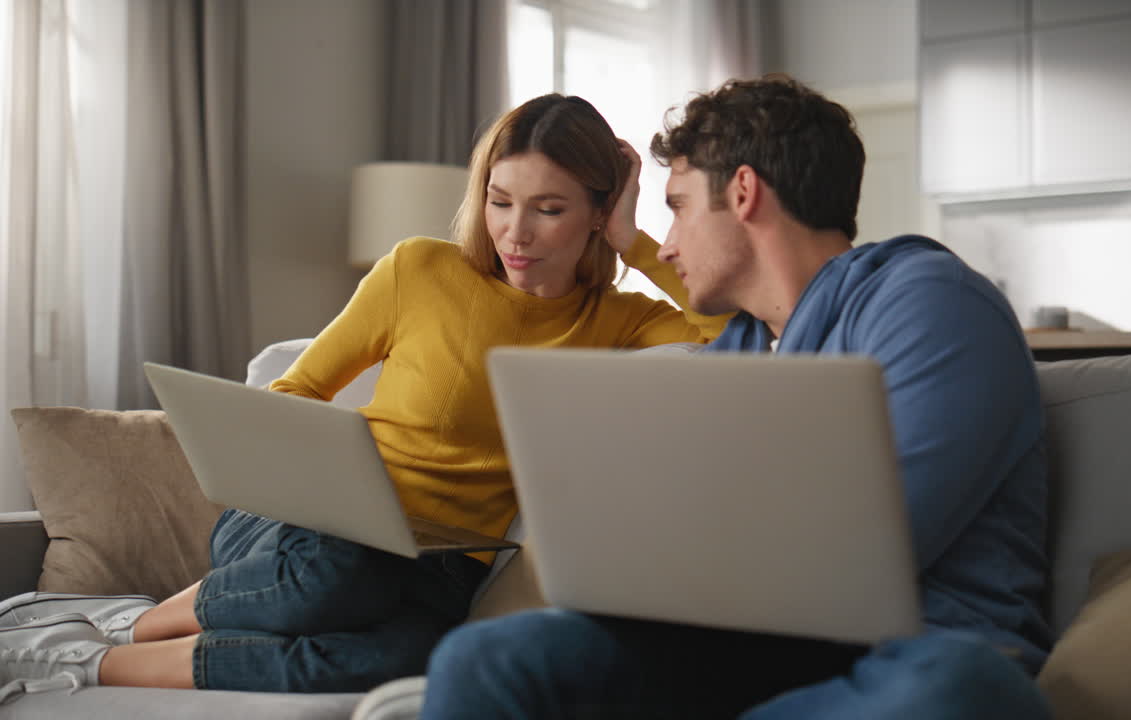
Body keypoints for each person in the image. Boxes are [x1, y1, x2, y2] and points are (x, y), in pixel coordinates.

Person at [0, 94, 727, 700]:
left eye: (549, 209)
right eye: (500, 201)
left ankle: (90, 661)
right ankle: (133, 623)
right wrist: (314, 483)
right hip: (308, 531)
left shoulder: (619, 321)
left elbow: (731, 333)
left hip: (443, 563)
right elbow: (295, 391)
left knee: (406, 656)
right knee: (337, 576)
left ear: (597, 213)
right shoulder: (420, 270)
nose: (515, 231)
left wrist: (634, 240)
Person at [412, 75, 1055, 719]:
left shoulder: (930, 303)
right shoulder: (742, 347)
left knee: (955, 690)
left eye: (678, 207)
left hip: (908, 654)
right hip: (745, 652)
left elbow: (879, 546)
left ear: (744, 193)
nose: (666, 245)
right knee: (487, 658)